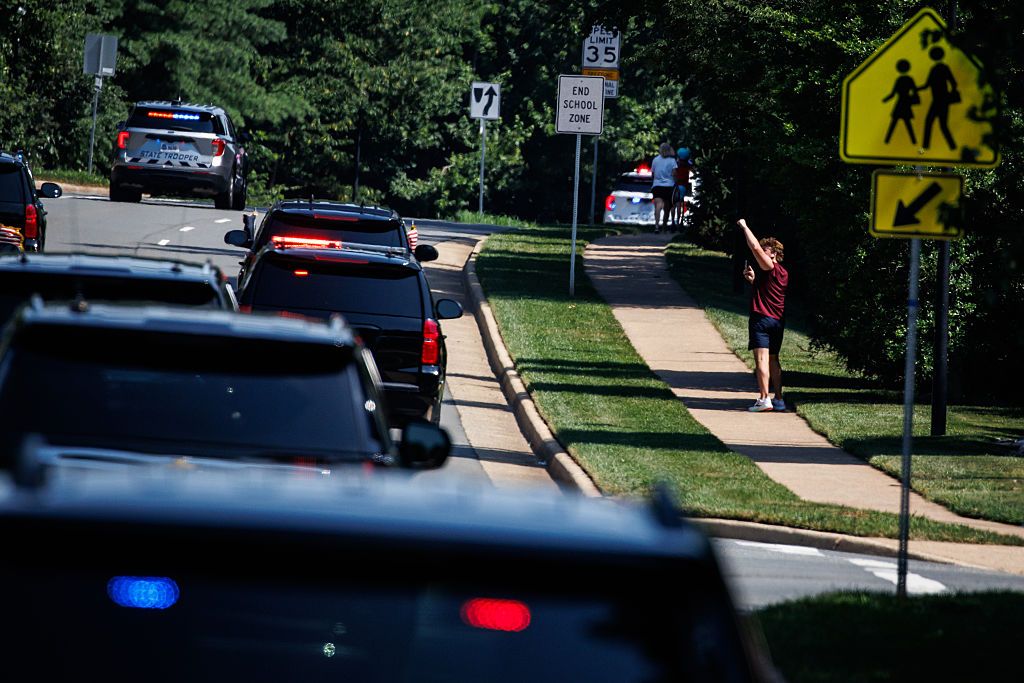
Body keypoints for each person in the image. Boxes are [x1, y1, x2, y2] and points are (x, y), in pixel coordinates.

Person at [737, 218, 788, 412]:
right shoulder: (782, 273)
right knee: (774, 359)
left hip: (761, 320)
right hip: (777, 321)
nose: (761, 253)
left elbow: (756, 248)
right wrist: (754, 281)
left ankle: (764, 398)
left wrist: (744, 227)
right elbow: (768, 291)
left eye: (767, 251)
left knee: (761, 359)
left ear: (774, 254)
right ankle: (779, 399)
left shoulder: (771, 267)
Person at [882, 59, 919, 145]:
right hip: (905, 103)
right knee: (904, 123)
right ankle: (913, 141)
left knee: (896, 123)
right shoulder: (909, 79)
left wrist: (884, 100)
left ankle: (887, 141)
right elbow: (915, 91)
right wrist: (884, 100)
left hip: (901, 103)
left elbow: (893, 94)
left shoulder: (900, 80)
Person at [650, 143, 677, 233]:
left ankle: (656, 226)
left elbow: (653, 173)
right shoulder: (672, 161)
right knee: (667, 208)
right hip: (669, 186)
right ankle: (664, 227)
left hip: (657, 185)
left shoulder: (655, 160)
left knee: (658, 206)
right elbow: (674, 174)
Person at [671, 147, 692, 230]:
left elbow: (673, 173)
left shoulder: (675, 164)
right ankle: (679, 222)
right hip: (683, 186)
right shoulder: (688, 165)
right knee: (680, 204)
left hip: (675, 185)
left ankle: (672, 222)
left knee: (673, 204)